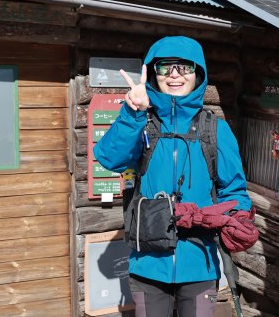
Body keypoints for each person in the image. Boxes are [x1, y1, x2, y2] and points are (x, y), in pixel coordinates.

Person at [93, 36, 252, 317]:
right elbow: (110, 158)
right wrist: (132, 113)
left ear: (198, 73)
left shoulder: (216, 130)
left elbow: (234, 190)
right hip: (147, 263)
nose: (175, 75)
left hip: (200, 261)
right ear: (154, 73)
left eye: (184, 67)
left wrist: (237, 217)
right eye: (166, 67)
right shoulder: (142, 124)